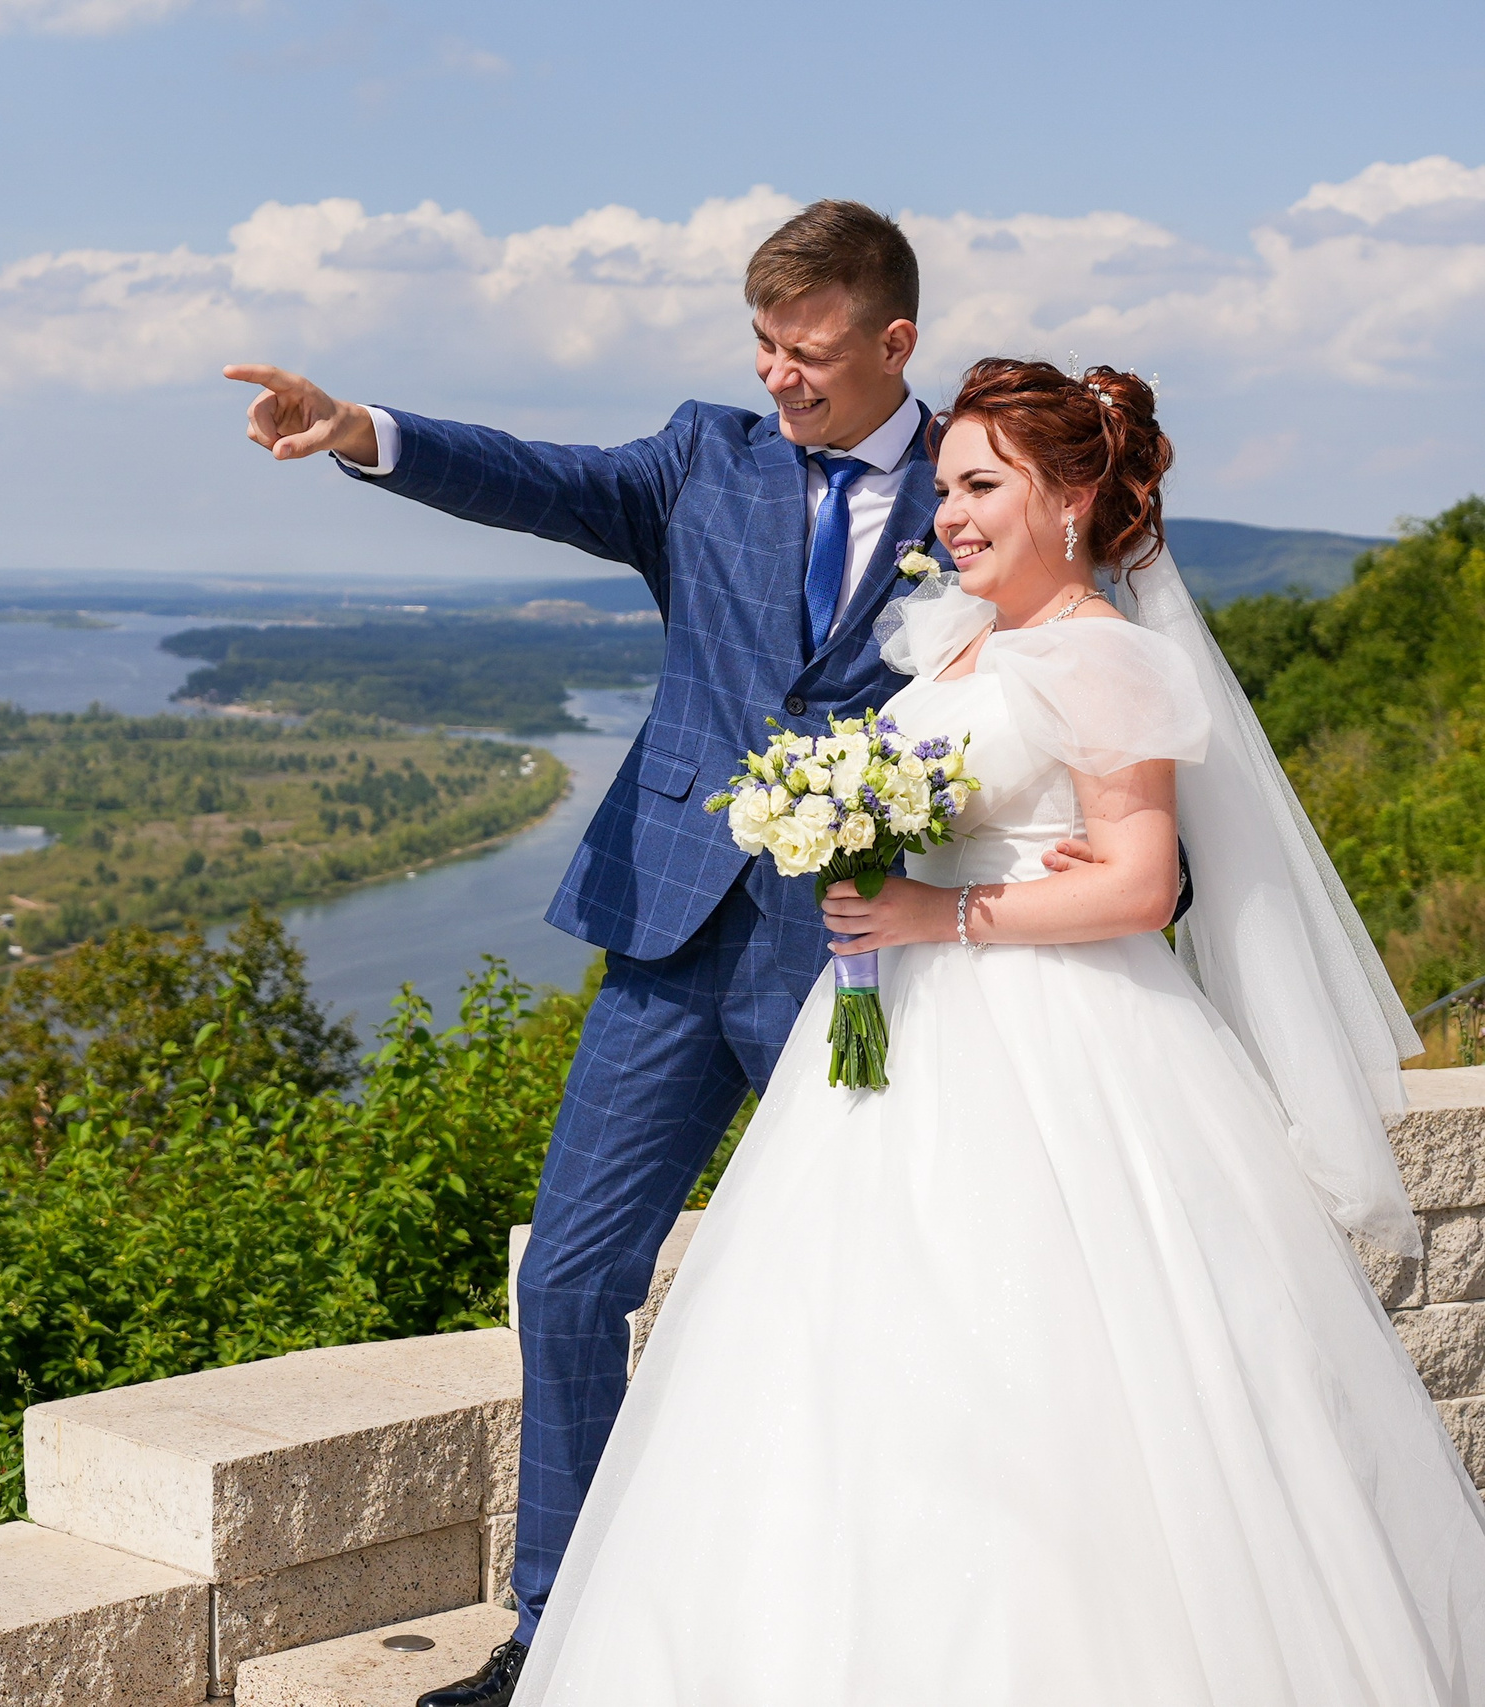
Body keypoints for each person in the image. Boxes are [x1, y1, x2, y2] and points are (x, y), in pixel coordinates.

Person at [509, 360, 1485, 1703]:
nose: (950, 512)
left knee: (1043, 1375)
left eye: (983, 486)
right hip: (899, 1040)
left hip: (1056, 1047)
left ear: (1075, 496)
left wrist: (937, 910)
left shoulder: (1108, 657)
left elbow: (1142, 884)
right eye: (948, 484)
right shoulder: (955, 640)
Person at [230, 200, 943, 1707]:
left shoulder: (981, 478)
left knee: (882, 1298)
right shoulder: (706, 458)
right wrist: (365, 429)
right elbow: (540, 481)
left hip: (872, 960)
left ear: (896, 342)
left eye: (808, 351)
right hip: (671, 933)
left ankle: (867, 1628)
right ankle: (560, 1636)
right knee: (566, 1284)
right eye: (761, 344)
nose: (779, 377)